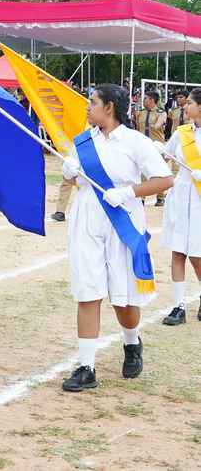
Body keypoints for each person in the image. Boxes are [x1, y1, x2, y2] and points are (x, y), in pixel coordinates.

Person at [59, 84, 173, 392]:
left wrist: (127, 192)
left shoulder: (136, 142)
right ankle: (86, 367)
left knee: (123, 298)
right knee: (88, 290)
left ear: (109, 107)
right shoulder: (83, 141)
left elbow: (165, 180)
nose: (88, 107)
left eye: (93, 102)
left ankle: (132, 342)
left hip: (122, 218)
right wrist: (69, 171)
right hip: (86, 218)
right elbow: (75, 178)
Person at [159, 87, 201, 326]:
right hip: (180, 196)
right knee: (178, 252)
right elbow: (166, 155)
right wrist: (158, 150)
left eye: (190, 103)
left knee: (197, 255)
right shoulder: (181, 132)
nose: (185, 107)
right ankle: (179, 306)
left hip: (200, 201)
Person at [134, 91, 168, 206]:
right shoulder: (140, 113)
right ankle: (142, 197)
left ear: (152, 100)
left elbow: (158, 125)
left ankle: (160, 197)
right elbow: (137, 128)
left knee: (159, 171)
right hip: (143, 145)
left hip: (157, 146)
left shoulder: (161, 113)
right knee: (142, 171)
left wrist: (154, 125)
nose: (143, 101)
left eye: (145, 98)